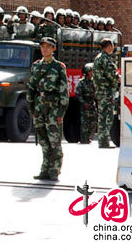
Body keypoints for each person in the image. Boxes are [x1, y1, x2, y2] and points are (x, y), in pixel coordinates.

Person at [26, 37, 69, 181]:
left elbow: (64, 90)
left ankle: (55, 169)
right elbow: (31, 88)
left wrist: (61, 111)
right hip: (39, 106)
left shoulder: (58, 67)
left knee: (54, 139)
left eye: (48, 47)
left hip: (53, 106)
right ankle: (45, 168)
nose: (45, 49)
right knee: (43, 139)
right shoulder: (36, 66)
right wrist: (31, 108)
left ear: (53, 49)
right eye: (43, 46)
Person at [93, 38, 120, 148]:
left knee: (102, 116)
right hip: (106, 92)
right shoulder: (105, 59)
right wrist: (120, 79)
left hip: (100, 91)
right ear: (109, 46)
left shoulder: (98, 58)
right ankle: (104, 142)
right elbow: (112, 75)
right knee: (107, 117)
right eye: (112, 45)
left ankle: (102, 141)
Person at [75, 63, 97, 144]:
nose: (91, 73)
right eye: (90, 71)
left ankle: (88, 137)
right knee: (85, 123)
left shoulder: (93, 82)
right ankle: (84, 139)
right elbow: (78, 94)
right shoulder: (81, 82)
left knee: (93, 122)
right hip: (85, 105)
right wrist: (84, 103)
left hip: (92, 104)